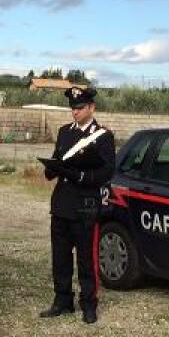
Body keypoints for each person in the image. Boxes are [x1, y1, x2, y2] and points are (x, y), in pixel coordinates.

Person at [38, 86, 115, 324]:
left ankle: (89, 304)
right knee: (60, 258)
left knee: (86, 259)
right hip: (62, 204)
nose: (75, 112)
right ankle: (62, 300)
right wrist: (51, 169)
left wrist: (83, 177)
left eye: (80, 108)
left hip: (86, 205)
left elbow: (107, 170)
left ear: (91, 107)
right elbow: (59, 159)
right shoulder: (64, 132)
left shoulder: (103, 136)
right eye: (73, 108)